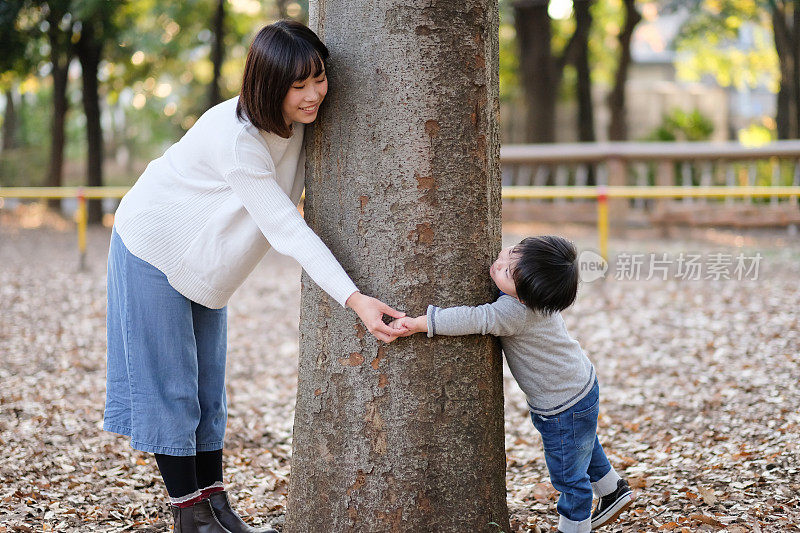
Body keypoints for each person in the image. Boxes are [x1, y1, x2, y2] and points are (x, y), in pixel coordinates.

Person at [104, 21, 405, 533]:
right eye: (298, 85)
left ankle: (216, 506)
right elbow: (287, 227)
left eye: (319, 78)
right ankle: (189, 515)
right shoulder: (238, 139)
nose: (313, 95)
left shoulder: (308, 120)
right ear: (269, 85)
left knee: (207, 390)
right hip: (152, 246)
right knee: (172, 387)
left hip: (204, 262)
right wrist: (355, 299)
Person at [390, 236, 634, 533]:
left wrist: (422, 323)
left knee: (569, 475)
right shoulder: (537, 294)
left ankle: (575, 528)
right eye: (511, 253)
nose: (499, 263)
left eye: (507, 272)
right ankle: (613, 490)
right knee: (582, 445)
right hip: (580, 387)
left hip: (562, 405)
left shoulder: (515, 312)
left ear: (524, 296)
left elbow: (475, 318)